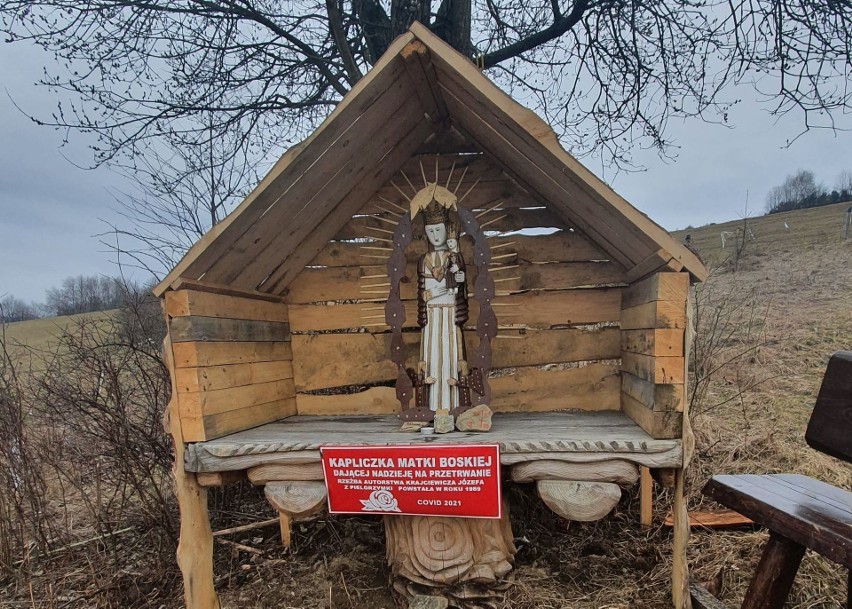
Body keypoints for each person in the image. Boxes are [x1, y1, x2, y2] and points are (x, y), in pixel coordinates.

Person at [416, 201, 469, 413]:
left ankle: (452, 406)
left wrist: (461, 279)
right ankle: (431, 407)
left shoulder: (454, 257)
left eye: (438, 230)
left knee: (451, 358)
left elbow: (461, 286)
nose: (435, 236)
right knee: (431, 360)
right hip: (431, 316)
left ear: (446, 230)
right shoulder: (423, 261)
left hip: (449, 315)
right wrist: (431, 296)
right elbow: (422, 292)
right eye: (430, 231)